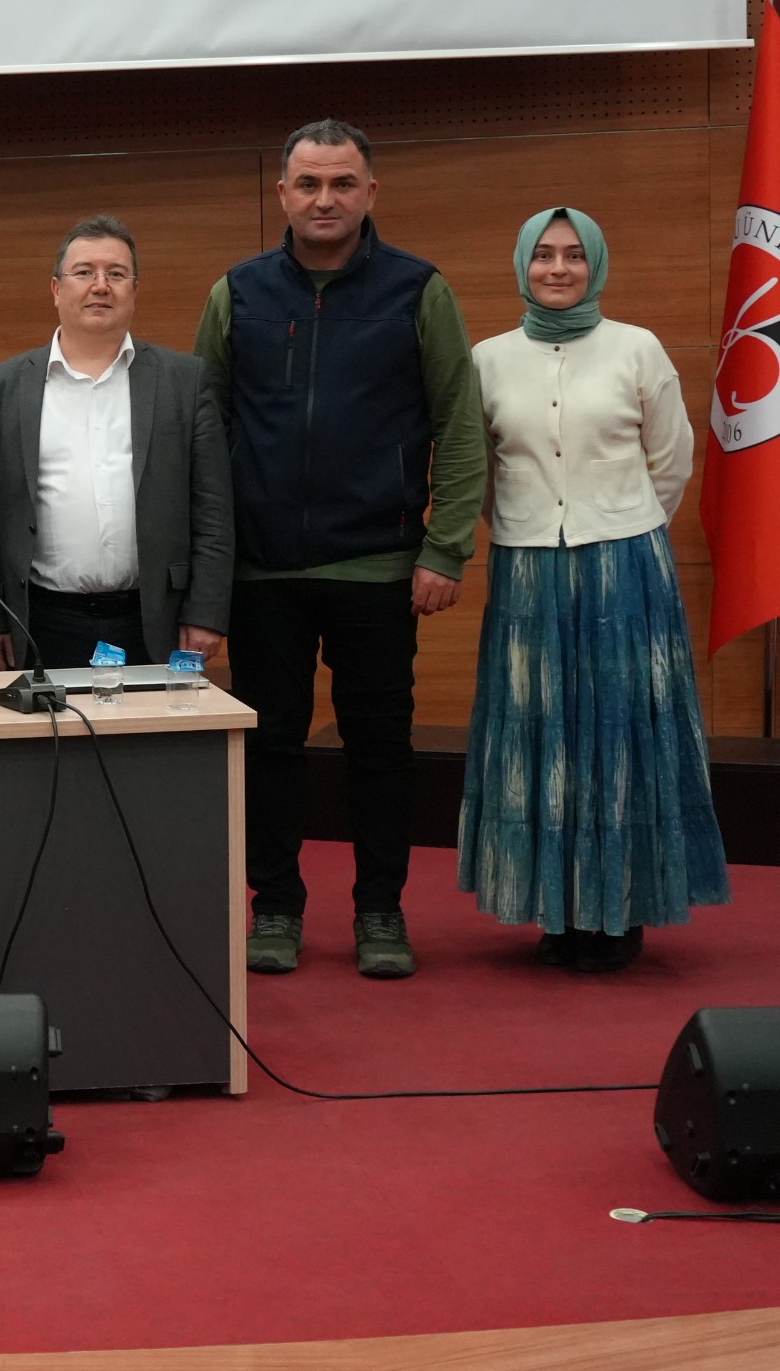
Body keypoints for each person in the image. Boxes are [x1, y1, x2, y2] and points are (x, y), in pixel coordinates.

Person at [195, 120, 485, 980]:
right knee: (269, 744)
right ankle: (276, 907)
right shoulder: (237, 293)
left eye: (343, 184)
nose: (327, 200)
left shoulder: (417, 290)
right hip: (263, 570)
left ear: (370, 193)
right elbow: (204, 430)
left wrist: (446, 548)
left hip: (381, 567)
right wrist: (210, 568)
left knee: (379, 746)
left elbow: (459, 425)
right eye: (310, 184)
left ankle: (380, 910)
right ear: (283, 193)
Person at [460, 207, 727, 970]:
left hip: (625, 570)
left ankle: (622, 910)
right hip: (527, 570)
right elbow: (482, 472)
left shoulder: (637, 349)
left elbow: (670, 461)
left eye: (575, 256)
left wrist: (617, 524)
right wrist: (532, 524)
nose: (558, 269)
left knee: (620, 738)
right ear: (521, 265)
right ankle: (556, 906)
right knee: (542, 739)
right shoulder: (488, 359)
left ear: (596, 266)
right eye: (543, 255)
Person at [0, 217, 233, 673]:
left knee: (153, 746)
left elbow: (213, 509)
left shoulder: (183, 382)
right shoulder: (0, 388)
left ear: (134, 289)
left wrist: (205, 612)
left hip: (156, 620)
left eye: (116, 274)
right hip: (40, 622)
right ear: (55, 288)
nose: (100, 286)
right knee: (52, 744)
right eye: (84, 272)